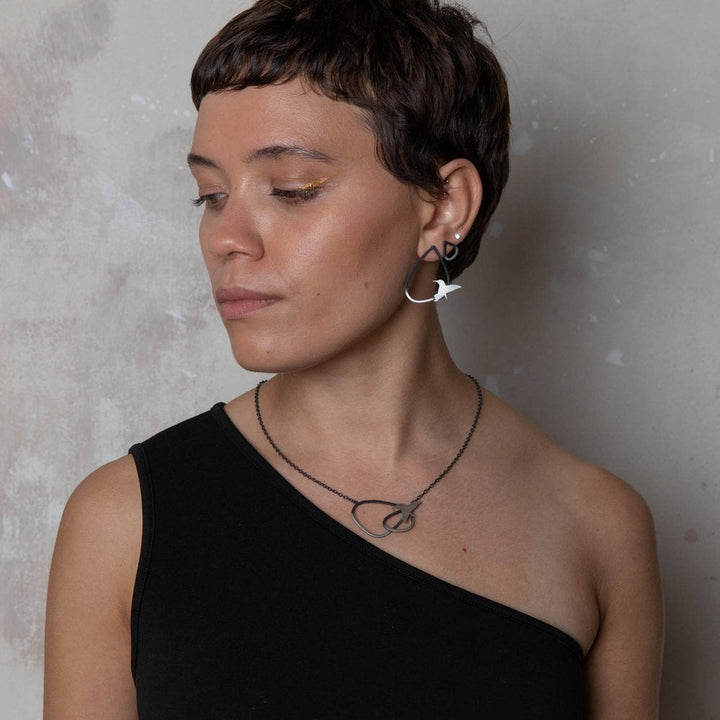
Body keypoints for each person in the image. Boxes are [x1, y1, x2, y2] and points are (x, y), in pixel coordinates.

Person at [44, 0, 664, 717]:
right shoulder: (125, 521)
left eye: (292, 190)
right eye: (211, 196)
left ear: (442, 207)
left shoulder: (596, 527)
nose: (227, 238)